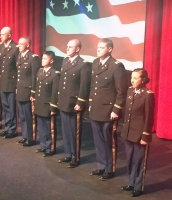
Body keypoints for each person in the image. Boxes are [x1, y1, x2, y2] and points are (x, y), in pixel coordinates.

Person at [89, 38, 128, 180]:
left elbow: (121, 91)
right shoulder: (95, 63)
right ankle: (101, 166)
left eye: (102, 47)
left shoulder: (116, 66)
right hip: (96, 108)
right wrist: (91, 103)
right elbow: (93, 86)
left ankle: (110, 168)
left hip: (108, 110)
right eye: (98, 47)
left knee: (108, 140)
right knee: (98, 140)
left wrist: (116, 110)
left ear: (110, 49)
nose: (98, 49)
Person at [120, 68, 154, 197]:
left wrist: (145, 135)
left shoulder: (147, 95)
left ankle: (138, 186)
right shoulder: (130, 91)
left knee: (139, 161)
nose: (132, 80)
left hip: (139, 134)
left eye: (135, 78)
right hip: (128, 132)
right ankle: (131, 183)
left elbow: (148, 117)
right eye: (131, 77)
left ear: (143, 80)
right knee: (130, 160)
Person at [57, 39, 91, 168]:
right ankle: (68, 154)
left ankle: (75, 157)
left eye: (70, 47)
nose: (67, 48)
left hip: (74, 102)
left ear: (77, 49)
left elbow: (84, 85)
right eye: (67, 46)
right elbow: (62, 81)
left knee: (74, 131)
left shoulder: (83, 64)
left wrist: (80, 102)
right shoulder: (65, 61)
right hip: (64, 100)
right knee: (65, 130)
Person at [31, 51, 59, 156]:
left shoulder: (55, 74)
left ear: (51, 61)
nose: (42, 60)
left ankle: (50, 147)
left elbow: (54, 92)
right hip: (39, 103)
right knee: (41, 127)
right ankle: (43, 145)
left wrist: (53, 107)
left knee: (49, 128)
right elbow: (38, 87)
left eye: (45, 59)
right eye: (42, 58)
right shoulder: (40, 71)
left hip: (47, 105)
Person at [16, 36, 40, 147]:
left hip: (27, 91)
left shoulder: (33, 58)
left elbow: (35, 77)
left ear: (28, 45)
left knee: (28, 116)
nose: (19, 45)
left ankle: (30, 138)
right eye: (19, 43)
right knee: (22, 115)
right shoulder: (20, 56)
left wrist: (33, 93)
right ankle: (25, 136)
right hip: (20, 89)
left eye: (21, 44)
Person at [0, 27, 19, 139]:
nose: (0, 36)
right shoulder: (1, 47)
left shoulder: (15, 48)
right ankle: (7, 127)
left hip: (11, 82)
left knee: (11, 107)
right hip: (4, 81)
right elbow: (0, 65)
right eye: (0, 34)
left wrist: (16, 85)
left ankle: (12, 129)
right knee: (5, 107)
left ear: (9, 35)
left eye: (2, 34)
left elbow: (18, 67)